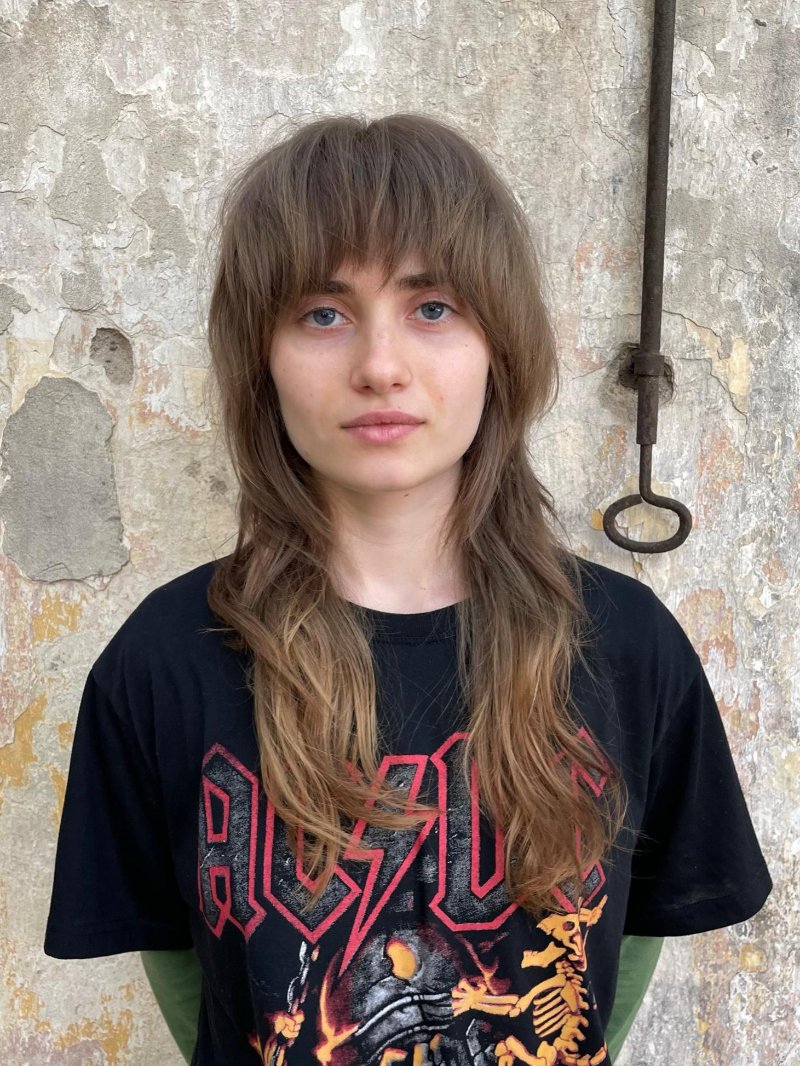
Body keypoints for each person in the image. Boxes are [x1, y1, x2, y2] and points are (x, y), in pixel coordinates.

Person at [44, 113, 771, 1066]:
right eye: (323, 313)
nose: (380, 367)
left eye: (432, 308)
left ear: (499, 344)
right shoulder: (165, 659)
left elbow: (624, 943)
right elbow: (185, 967)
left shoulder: (627, 647)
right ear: (260, 356)